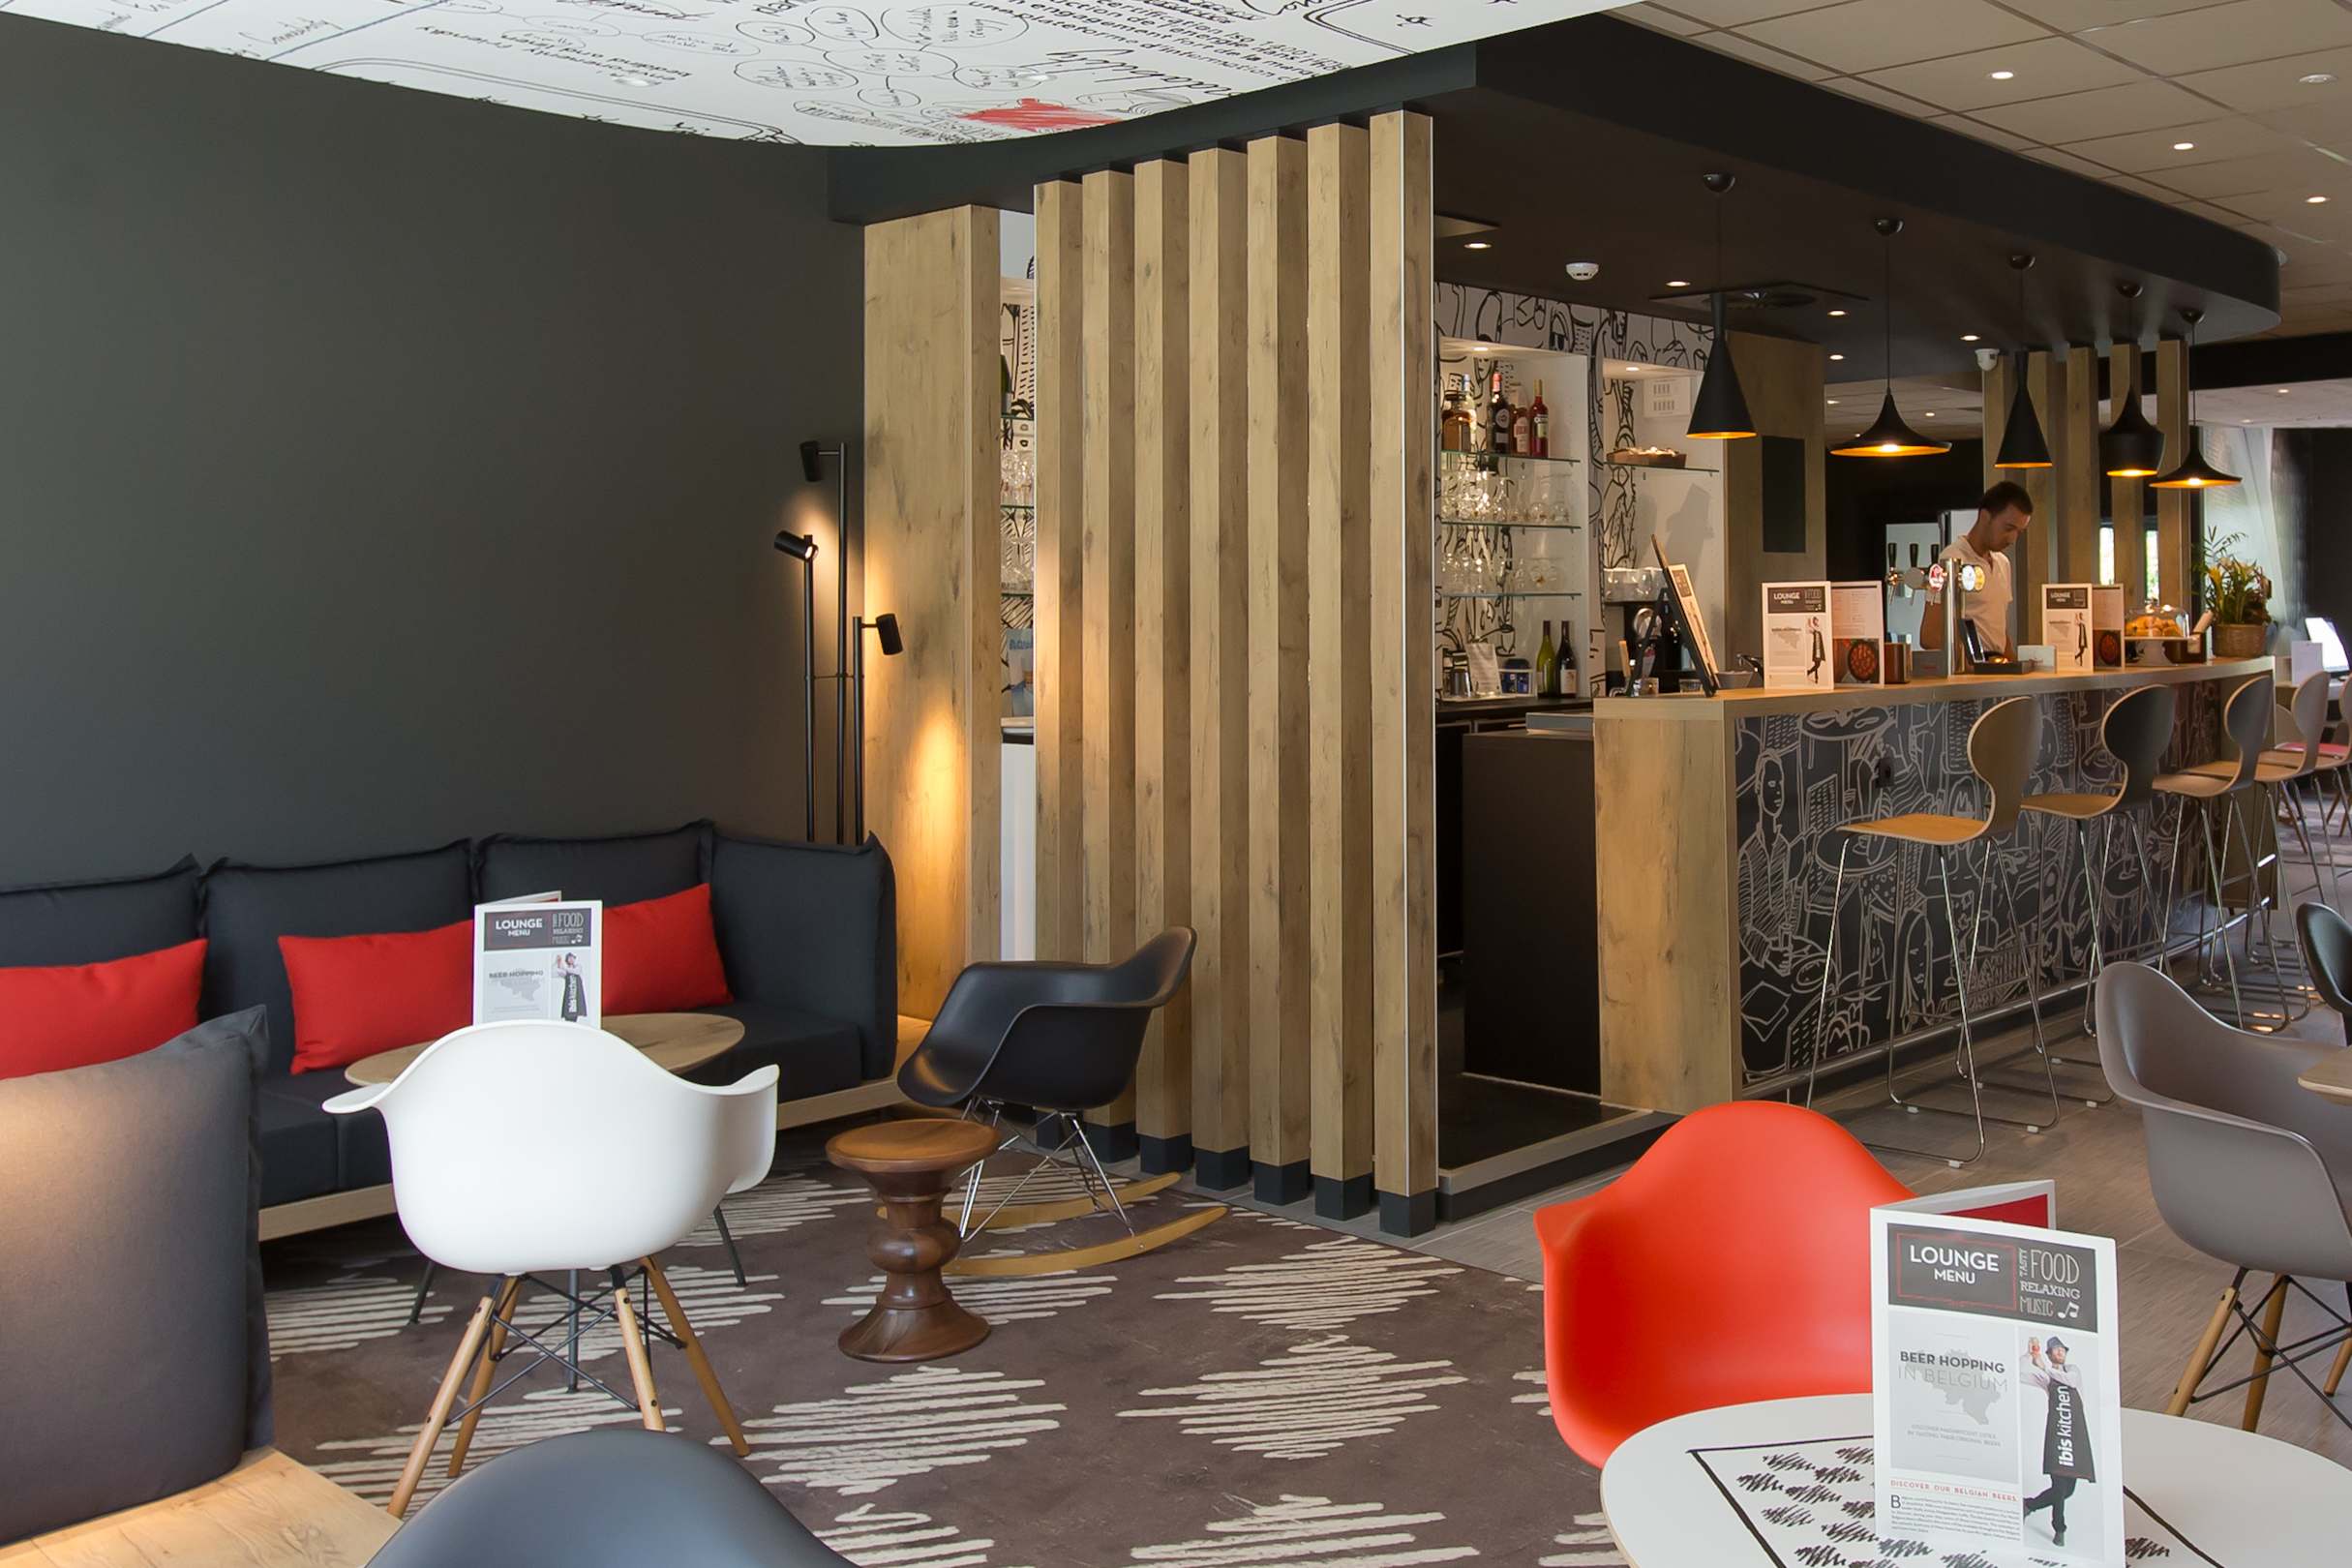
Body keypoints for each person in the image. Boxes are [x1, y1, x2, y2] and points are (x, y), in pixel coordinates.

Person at [1919, 481, 2034, 659]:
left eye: (2019, 532)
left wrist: (2013, 667)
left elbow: (1998, 632)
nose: (2012, 539)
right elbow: (1930, 636)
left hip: (1996, 666)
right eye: (2008, 528)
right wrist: (1970, 663)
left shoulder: (2003, 563)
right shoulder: (1951, 560)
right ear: (1985, 517)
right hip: (1971, 667)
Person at [2021, 1335, 2096, 1548]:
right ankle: (2059, 1529)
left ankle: (2029, 1505)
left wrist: (2044, 1367)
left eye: (2062, 1348)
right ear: (2048, 1354)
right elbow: (2019, 1373)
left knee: (2068, 1491)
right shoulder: (2047, 1378)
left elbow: (2070, 1382)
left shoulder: (2072, 1370)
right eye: (2055, 1349)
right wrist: (2029, 1355)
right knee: (2059, 1487)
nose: (2060, 1351)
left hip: (2075, 1436)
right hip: (2057, 1436)